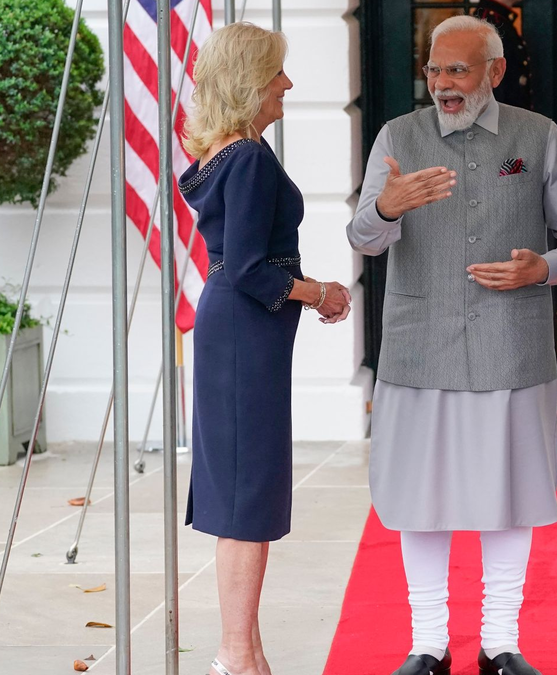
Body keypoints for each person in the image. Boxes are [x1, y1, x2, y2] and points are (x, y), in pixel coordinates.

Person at [347, 15, 557, 675]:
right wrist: (389, 207)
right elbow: (362, 238)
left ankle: (499, 642)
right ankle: (428, 643)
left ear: (494, 71)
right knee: (418, 495)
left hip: (511, 348)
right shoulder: (398, 136)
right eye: (434, 70)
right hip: (418, 347)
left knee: (507, 492)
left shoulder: (537, 137)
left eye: (457, 70)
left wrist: (543, 268)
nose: (443, 84)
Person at [178, 22, 351, 675]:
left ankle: (245, 650)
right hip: (244, 335)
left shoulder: (226, 150)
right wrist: (319, 291)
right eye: (277, 72)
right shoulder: (247, 157)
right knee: (245, 497)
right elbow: (251, 267)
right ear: (250, 82)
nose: (288, 84)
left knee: (241, 494)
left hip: (240, 333)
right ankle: (234, 655)